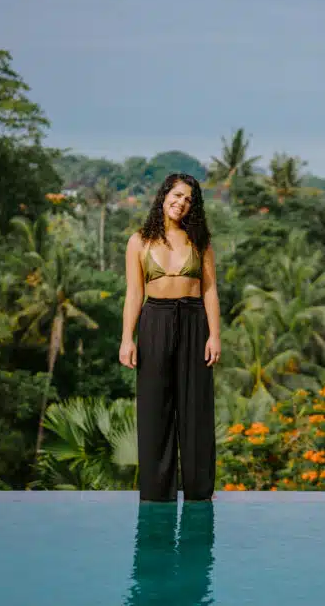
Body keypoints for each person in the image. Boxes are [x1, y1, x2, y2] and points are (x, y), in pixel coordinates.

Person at [118, 173, 221, 502]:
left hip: (194, 321)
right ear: (163, 196)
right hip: (155, 320)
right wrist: (126, 338)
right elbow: (134, 293)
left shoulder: (200, 240)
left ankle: (198, 491)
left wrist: (214, 335)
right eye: (177, 195)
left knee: (196, 408)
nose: (181, 203)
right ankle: (156, 492)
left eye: (188, 199)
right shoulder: (139, 241)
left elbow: (210, 290)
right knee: (155, 407)